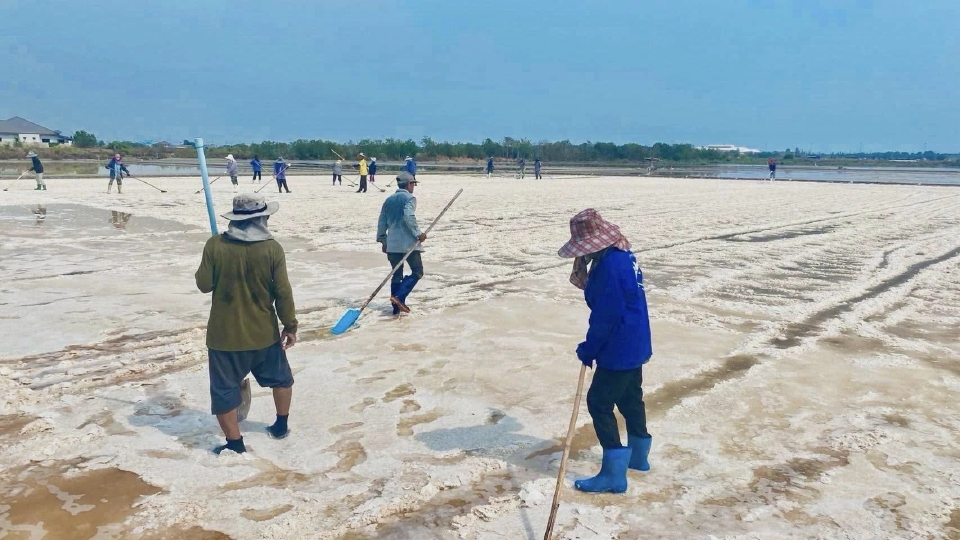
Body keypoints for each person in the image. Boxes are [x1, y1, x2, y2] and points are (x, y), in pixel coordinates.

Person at [558, 209, 653, 494]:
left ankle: (614, 474)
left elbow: (606, 314)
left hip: (619, 345)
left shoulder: (611, 265)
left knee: (599, 402)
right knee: (630, 398)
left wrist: (590, 347)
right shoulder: (620, 255)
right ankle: (638, 457)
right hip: (635, 339)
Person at [195, 194, 298, 454]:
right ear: (261, 219)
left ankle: (235, 443)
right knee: (281, 379)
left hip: (224, 337)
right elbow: (283, 291)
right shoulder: (272, 248)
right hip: (264, 333)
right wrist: (290, 325)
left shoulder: (215, 245)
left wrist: (214, 257)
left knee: (223, 391)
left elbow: (203, 285)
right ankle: (281, 425)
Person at [377, 172, 425, 315]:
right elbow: (408, 216)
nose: (413, 187)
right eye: (413, 184)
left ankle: (396, 309)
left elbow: (382, 222)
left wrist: (383, 240)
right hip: (408, 244)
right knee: (417, 271)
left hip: (392, 244)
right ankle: (399, 297)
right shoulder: (410, 198)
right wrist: (418, 233)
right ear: (409, 184)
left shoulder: (388, 200)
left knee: (396, 274)